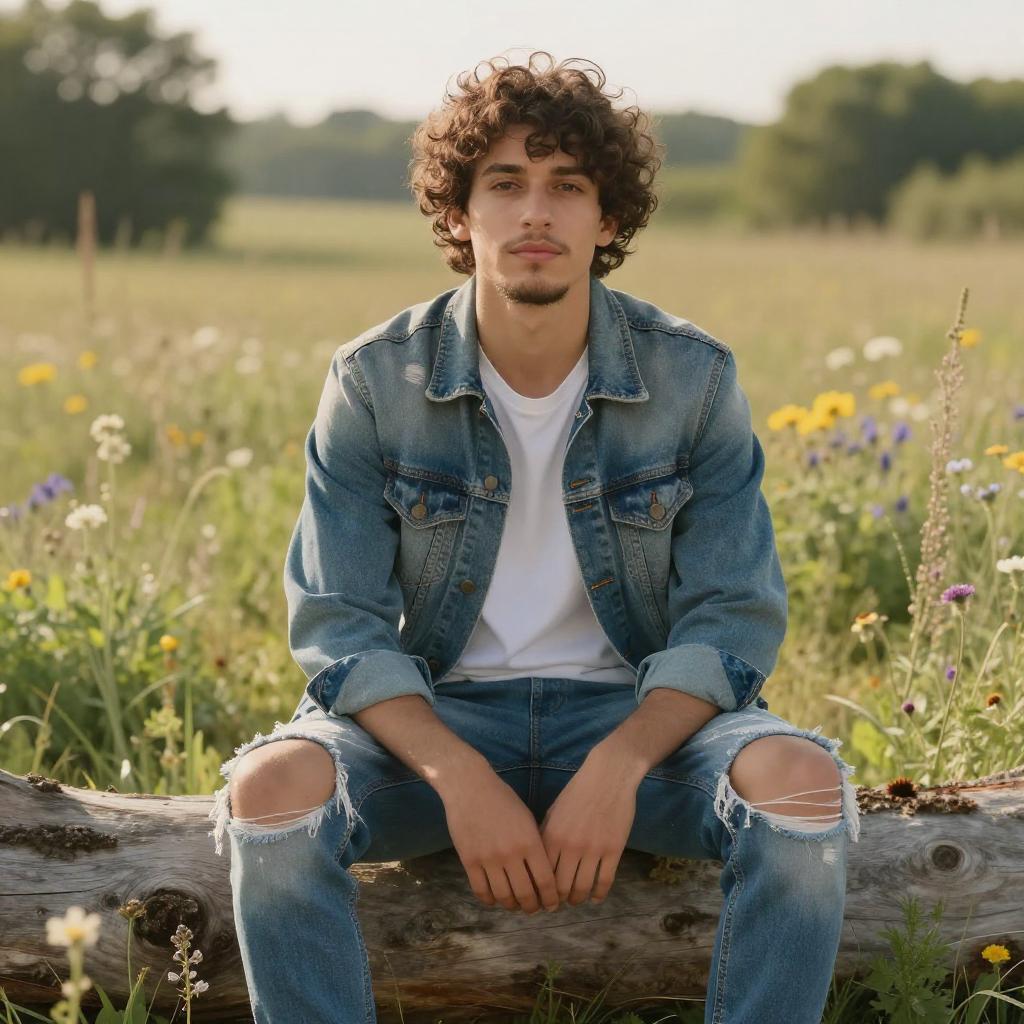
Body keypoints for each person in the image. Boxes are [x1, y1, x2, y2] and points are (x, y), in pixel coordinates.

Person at [207, 50, 861, 1024]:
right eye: (504, 185)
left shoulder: (695, 379)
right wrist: (459, 775)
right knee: (269, 790)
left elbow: (732, 616)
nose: (534, 215)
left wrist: (621, 762)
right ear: (458, 213)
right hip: (439, 720)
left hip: (635, 722)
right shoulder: (373, 380)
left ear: (608, 219)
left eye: (567, 187)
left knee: (802, 785)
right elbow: (339, 626)